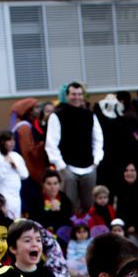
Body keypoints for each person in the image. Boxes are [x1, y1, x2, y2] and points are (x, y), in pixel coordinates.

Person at [46, 82, 104, 214]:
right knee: (69, 207)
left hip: (89, 168)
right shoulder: (57, 115)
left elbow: (98, 139)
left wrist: (96, 161)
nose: (76, 97)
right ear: (67, 96)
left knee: (90, 208)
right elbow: (51, 144)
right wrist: (61, 166)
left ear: (83, 96)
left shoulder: (90, 115)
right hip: (68, 169)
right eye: (73, 94)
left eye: (79, 94)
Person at [111, 162, 138, 246]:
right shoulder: (119, 190)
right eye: (126, 170)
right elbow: (118, 214)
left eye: (132, 170)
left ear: (137, 172)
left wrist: (135, 227)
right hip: (123, 229)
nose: (129, 173)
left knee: (129, 243)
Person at [0, 130, 28, 220]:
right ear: (2, 142)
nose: (12, 143)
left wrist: (15, 166)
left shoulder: (16, 156)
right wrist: (6, 165)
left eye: (13, 140)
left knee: (16, 220)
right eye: (9, 140)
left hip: (16, 196)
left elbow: (25, 175)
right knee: (5, 219)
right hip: (3, 195)